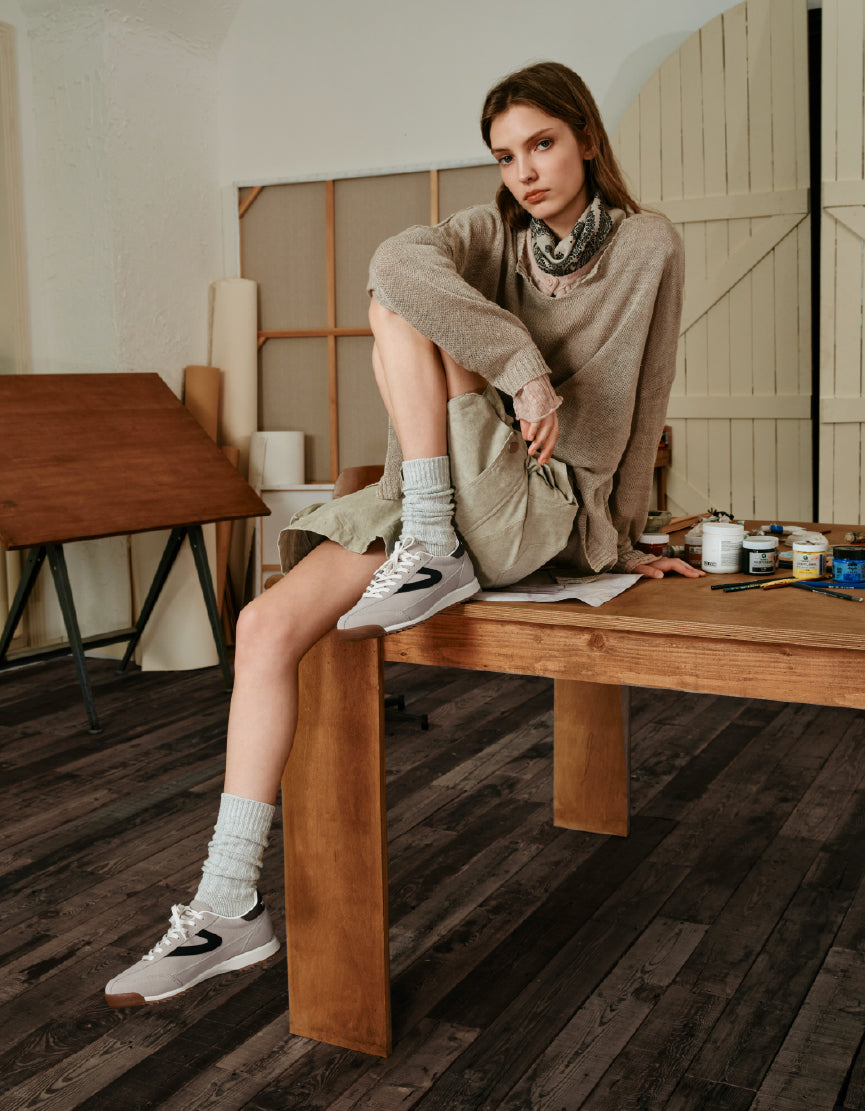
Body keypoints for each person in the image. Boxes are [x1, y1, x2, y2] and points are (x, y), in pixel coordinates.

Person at [104, 60, 703, 1008]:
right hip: (446, 485)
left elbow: (651, 384)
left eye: (542, 144)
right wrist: (520, 368)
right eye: (504, 155)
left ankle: (432, 544)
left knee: (396, 313)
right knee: (263, 626)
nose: (524, 172)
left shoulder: (646, 244)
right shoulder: (492, 234)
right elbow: (392, 260)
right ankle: (227, 903)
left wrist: (622, 537)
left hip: (540, 501)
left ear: (586, 139)